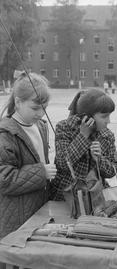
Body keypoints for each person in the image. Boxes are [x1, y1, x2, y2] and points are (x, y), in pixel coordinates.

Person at [0, 72, 57, 238]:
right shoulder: (5, 134)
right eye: (35, 108)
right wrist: (42, 172)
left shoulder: (41, 126)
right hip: (16, 220)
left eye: (44, 108)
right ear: (18, 102)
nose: (40, 113)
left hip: (39, 211)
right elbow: (4, 180)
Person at [51, 88, 117, 201]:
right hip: (66, 195)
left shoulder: (107, 135)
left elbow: (113, 170)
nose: (108, 121)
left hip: (95, 196)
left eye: (109, 116)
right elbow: (62, 163)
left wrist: (99, 159)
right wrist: (83, 136)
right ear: (87, 117)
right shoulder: (64, 128)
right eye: (104, 116)